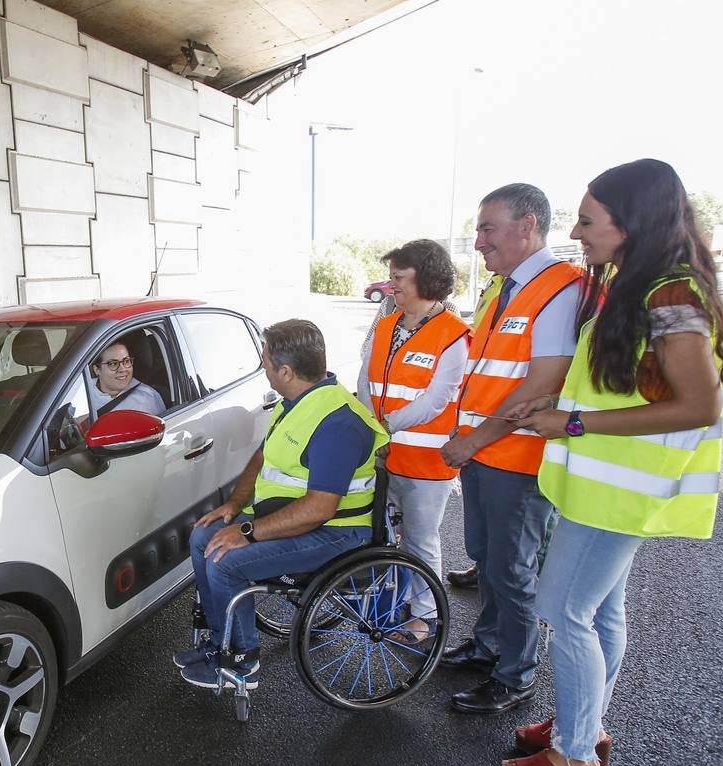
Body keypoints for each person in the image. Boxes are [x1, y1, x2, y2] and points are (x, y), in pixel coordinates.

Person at [500, 159, 723, 766]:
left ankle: (574, 756)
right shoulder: (647, 284)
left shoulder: (671, 295)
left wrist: (568, 422)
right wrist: (545, 413)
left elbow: (699, 405)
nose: (576, 232)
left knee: (563, 611)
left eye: (588, 219)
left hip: (617, 490)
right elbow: (618, 384)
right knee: (598, 611)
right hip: (607, 486)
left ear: (632, 224)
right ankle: (584, 723)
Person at [174, 319, 387, 688]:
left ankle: (242, 661)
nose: (264, 365)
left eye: (266, 360)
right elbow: (262, 457)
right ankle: (218, 639)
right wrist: (234, 506)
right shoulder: (297, 401)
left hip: (335, 532)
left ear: (285, 371)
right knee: (203, 536)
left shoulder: (337, 423)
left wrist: (246, 531)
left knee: (226, 560)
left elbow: (320, 509)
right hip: (293, 516)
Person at [438, 183, 584, 714]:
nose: (478, 241)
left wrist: (475, 438)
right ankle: (491, 644)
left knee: (512, 569)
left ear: (527, 226)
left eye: (487, 228)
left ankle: (516, 673)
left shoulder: (558, 288)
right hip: (485, 455)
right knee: (487, 558)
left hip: (518, 459)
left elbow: (545, 379)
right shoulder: (506, 287)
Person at [360, 240, 470, 641]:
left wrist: (385, 425)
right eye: (390, 277)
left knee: (422, 541)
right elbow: (365, 379)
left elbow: (437, 399)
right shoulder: (387, 324)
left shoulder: (454, 335)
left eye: (399, 277)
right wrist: (371, 422)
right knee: (385, 535)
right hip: (385, 452)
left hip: (426, 462)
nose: (391, 286)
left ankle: (425, 617)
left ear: (426, 278)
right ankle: (389, 601)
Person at [90, 340, 166, 417]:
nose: (123, 369)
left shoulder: (147, 399)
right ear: (97, 370)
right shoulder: (82, 392)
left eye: (126, 361)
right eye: (113, 364)